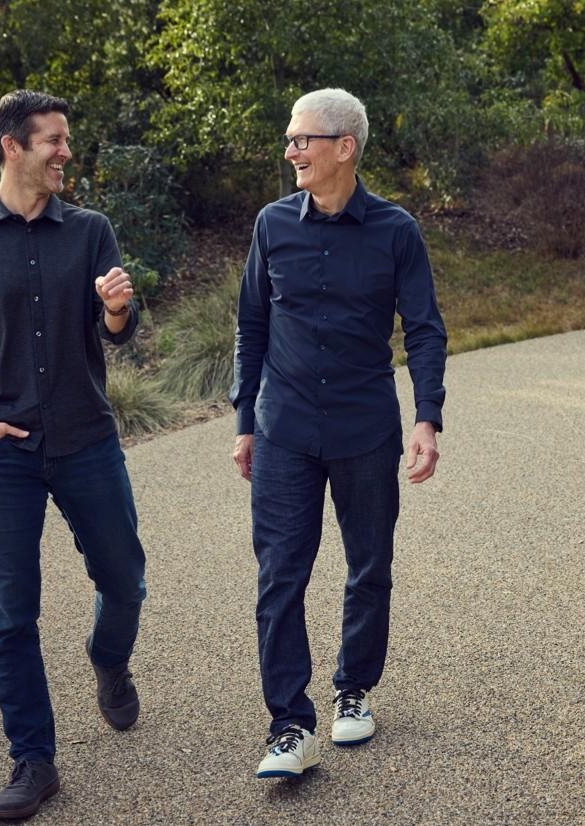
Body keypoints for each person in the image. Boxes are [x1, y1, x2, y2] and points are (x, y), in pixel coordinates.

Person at [0, 89, 147, 821]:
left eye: (65, 139)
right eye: (53, 139)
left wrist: (116, 306)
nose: (65, 152)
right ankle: (34, 760)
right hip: (2, 455)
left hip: (86, 440)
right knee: (10, 614)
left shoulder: (90, 231)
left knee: (125, 581)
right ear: (11, 147)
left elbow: (117, 331)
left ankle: (108, 660)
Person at [230, 88, 447, 778]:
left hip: (364, 427)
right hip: (284, 428)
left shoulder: (395, 230)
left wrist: (427, 417)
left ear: (344, 147)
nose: (291, 151)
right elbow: (251, 326)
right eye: (290, 139)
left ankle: (353, 688)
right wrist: (244, 423)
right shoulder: (271, 224)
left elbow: (424, 329)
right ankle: (288, 727)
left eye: (303, 140)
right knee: (279, 575)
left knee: (369, 565)